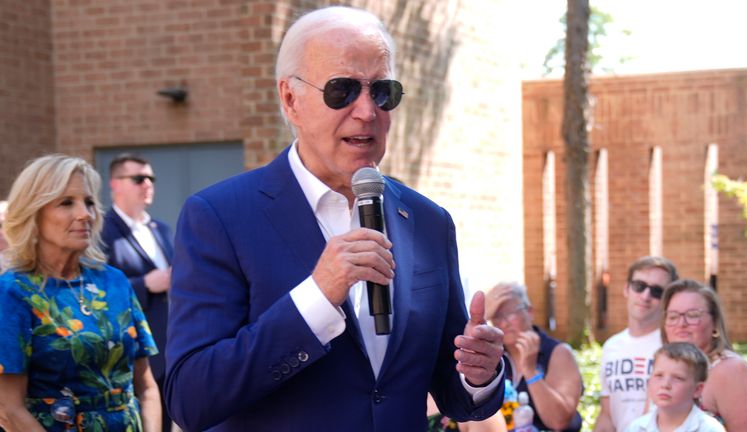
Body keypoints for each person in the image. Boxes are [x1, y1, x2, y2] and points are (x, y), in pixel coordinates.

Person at [164, 6, 505, 431]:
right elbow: (191, 398)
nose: (366, 111)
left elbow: (455, 395)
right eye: (342, 90)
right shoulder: (219, 217)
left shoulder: (428, 221)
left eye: (382, 91)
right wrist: (317, 297)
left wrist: (479, 375)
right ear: (291, 100)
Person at [0, 154, 161, 431]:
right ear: (34, 213)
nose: (85, 213)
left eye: (89, 202)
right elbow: (10, 409)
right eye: (66, 202)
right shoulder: (13, 292)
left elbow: (146, 388)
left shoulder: (115, 282)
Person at [101, 154, 174, 432]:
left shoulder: (162, 229)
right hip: (129, 354)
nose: (147, 184)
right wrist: (144, 284)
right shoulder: (103, 232)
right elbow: (98, 291)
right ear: (115, 184)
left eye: (151, 178)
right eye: (138, 178)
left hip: (168, 349)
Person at [661, 279, 747, 430]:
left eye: (692, 315)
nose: (681, 323)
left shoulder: (731, 370)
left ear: (715, 323)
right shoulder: (664, 370)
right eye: (673, 316)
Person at [595, 256, 678, 432]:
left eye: (656, 291)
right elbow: (607, 415)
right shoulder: (612, 346)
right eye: (639, 286)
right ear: (627, 289)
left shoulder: (673, 345)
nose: (645, 296)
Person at [485, 282, 583, 431]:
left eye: (510, 314)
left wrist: (530, 371)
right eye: (496, 317)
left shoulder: (557, 352)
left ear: (529, 312)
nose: (503, 324)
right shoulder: (495, 357)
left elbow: (559, 421)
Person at [626, 342, 725, 432]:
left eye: (678, 378)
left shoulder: (709, 429)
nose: (665, 385)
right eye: (659, 375)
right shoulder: (636, 428)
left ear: (697, 389)